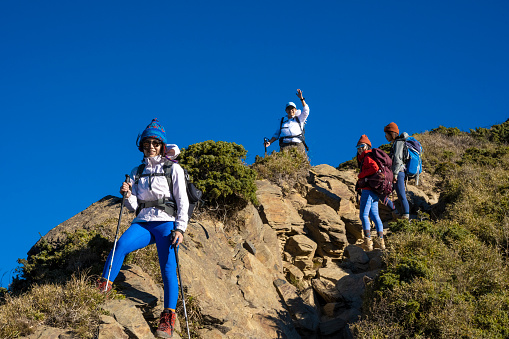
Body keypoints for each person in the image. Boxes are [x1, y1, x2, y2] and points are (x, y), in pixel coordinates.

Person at [97, 119, 189, 338]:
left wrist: (180, 229)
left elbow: (182, 200)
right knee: (120, 245)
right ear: (142, 145)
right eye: (147, 143)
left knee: (167, 267)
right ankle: (103, 288)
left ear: (162, 145)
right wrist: (128, 194)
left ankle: (168, 317)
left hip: (167, 222)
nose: (151, 147)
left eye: (155, 143)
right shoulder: (137, 171)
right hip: (143, 222)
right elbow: (133, 206)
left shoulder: (173, 169)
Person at [356, 135, 385, 251]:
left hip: (368, 190)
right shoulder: (366, 157)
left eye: (361, 146)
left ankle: (368, 242)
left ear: (367, 146)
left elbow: (374, 168)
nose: (359, 148)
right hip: (374, 191)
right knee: (374, 215)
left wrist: (361, 175)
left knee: (363, 214)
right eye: (358, 146)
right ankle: (380, 241)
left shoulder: (367, 157)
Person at [264, 89, 309, 153]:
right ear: (286, 111)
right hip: (285, 145)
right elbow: (277, 134)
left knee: (301, 162)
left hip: (298, 144)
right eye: (289, 109)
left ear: (295, 110)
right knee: (284, 162)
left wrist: (301, 99)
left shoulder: (299, 118)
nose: (291, 110)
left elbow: (306, 110)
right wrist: (269, 142)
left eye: (292, 109)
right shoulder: (282, 121)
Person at [384, 122, 410, 219]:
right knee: (383, 194)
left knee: (401, 195)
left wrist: (395, 174)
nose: (385, 136)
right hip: (395, 173)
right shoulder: (396, 143)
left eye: (386, 134)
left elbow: (398, 159)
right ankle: (396, 212)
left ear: (392, 133)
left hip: (398, 173)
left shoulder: (399, 142)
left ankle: (406, 217)